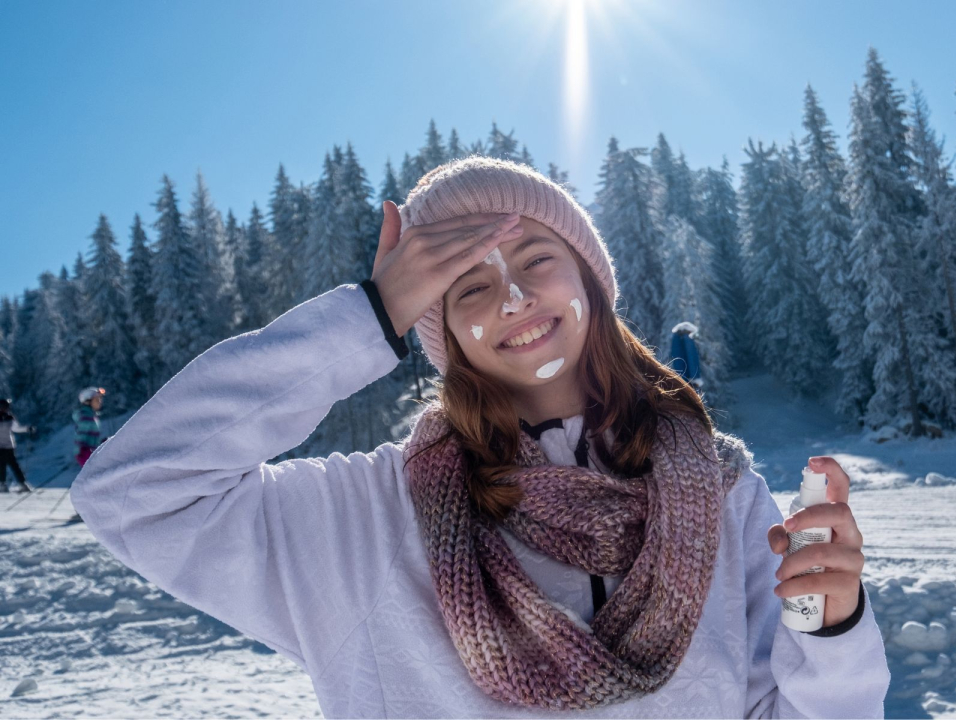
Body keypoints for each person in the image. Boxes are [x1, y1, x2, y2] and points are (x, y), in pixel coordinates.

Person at [72, 158, 889, 717]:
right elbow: (135, 491)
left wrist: (833, 628)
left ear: (590, 282)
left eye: (536, 257)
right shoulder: (362, 519)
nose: (512, 297)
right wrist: (367, 315)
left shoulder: (719, 494)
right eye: (464, 281)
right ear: (436, 328)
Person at [0, 398, 34, 493]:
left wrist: (26, 429)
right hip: (9, 446)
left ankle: (2, 484)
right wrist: (27, 429)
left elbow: (16, 428)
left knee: (2, 465)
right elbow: (17, 429)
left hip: (4, 447)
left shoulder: (10, 418)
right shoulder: (10, 418)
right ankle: (22, 483)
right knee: (14, 465)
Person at [72, 387, 105, 468]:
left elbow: (91, 437)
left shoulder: (91, 415)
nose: (100, 402)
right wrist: (84, 451)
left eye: (100, 399)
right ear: (88, 401)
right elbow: (81, 435)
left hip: (90, 452)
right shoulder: (85, 416)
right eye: (97, 399)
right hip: (85, 453)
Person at [668, 321, 703, 391]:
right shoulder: (689, 342)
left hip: (681, 381)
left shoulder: (676, 341)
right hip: (688, 383)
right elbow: (692, 361)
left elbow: (676, 361)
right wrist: (695, 379)